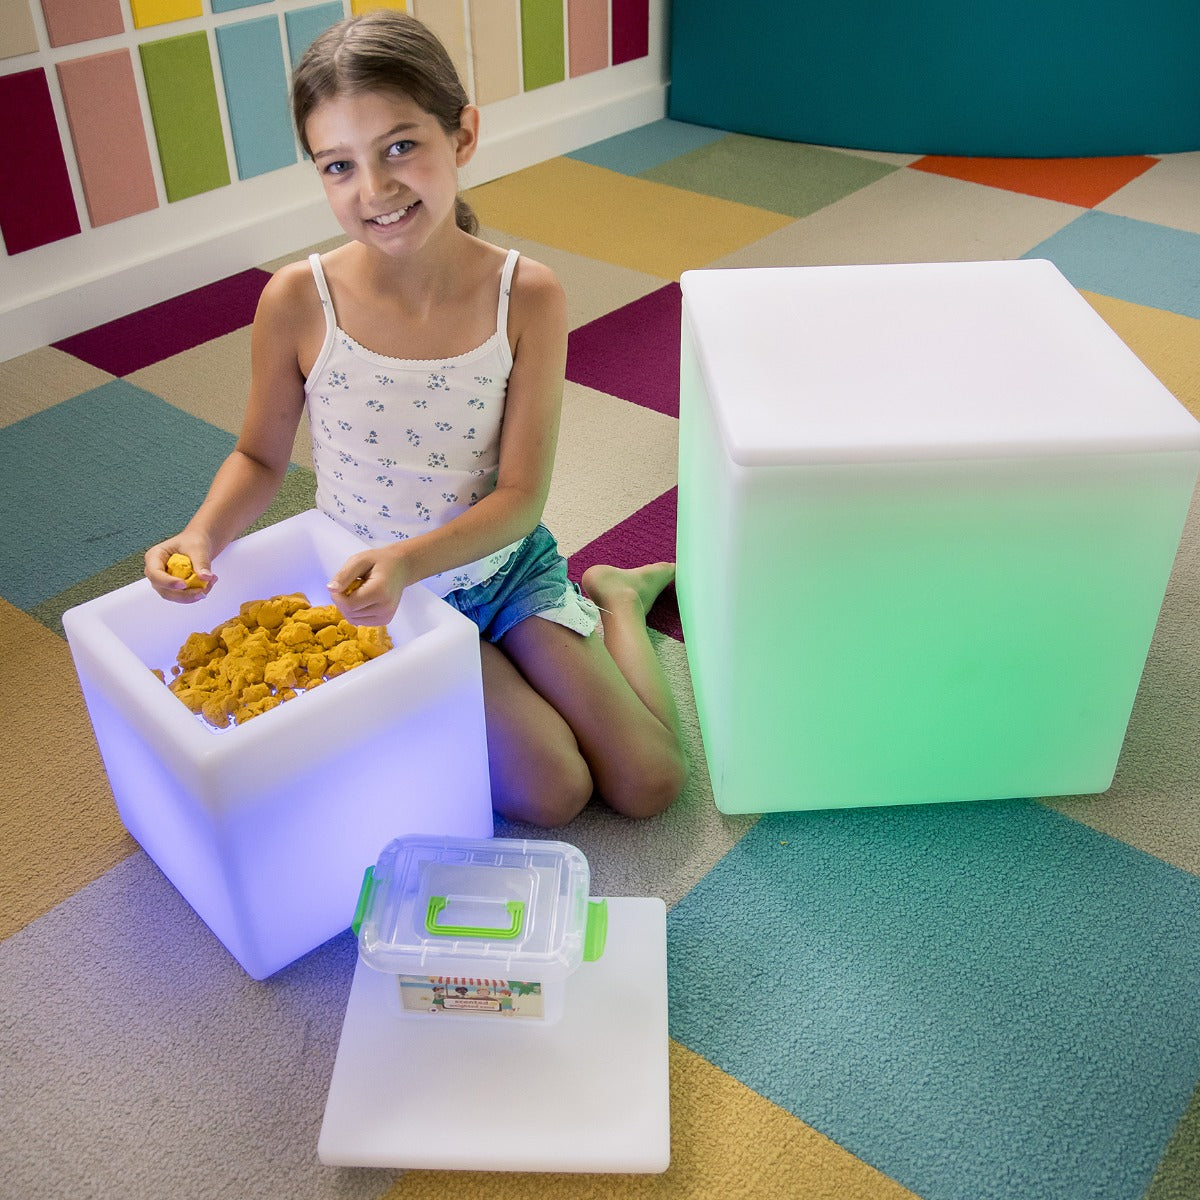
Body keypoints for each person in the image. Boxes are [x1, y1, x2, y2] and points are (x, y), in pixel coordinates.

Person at [144, 10, 687, 827]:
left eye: (401, 146)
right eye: (338, 165)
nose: (375, 189)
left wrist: (410, 558)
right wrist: (200, 538)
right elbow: (259, 458)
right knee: (555, 791)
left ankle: (614, 599)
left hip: (505, 568)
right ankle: (525, 652)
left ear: (463, 134)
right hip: (383, 599)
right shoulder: (298, 299)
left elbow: (520, 498)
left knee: (651, 784)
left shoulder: (526, 295)